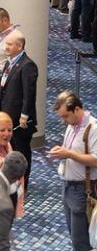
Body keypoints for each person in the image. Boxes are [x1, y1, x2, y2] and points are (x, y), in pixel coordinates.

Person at [49, 90, 97, 251]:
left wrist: (68, 153)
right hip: (68, 186)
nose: (64, 121)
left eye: (65, 116)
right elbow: (73, 151)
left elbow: (96, 159)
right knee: (74, 235)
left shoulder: (93, 128)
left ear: (77, 109)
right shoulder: (73, 124)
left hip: (82, 189)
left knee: (81, 240)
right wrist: (62, 153)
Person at [0, 30, 37, 186]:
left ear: (19, 46)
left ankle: (23, 182)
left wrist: (24, 115)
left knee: (21, 152)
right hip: (7, 118)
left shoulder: (28, 65)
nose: (6, 47)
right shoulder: (10, 62)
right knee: (10, 150)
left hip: (20, 122)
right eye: (6, 43)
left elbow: (29, 93)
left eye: (9, 44)